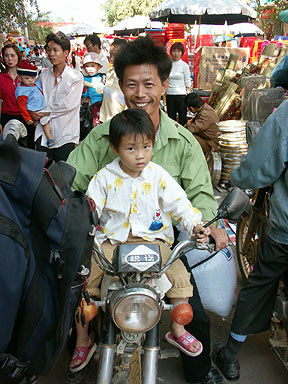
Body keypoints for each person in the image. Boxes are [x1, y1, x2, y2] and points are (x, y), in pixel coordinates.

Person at [67, 35, 228, 384]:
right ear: (121, 87)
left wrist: (208, 226)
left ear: (165, 85)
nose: (140, 93)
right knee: (76, 295)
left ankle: (201, 372)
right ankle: (81, 349)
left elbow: (199, 195)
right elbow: (74, 181)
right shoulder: (102, 138)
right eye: (131, 84)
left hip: (159, 244)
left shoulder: (183, 142)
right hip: (110, 241)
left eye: (149, 84)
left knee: (193, 311)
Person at [70, 107, 211, 372]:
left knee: (180, 278)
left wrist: (195, 226)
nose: (140, 155)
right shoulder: (104, 178)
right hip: (113, 243)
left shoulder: (158, 176)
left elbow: (180, 204)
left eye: (146, 147)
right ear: (115, 148)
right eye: (131, 149)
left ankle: (177, 328)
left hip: (154, 242)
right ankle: (82, 337)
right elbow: (91, 210)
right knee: (84, 283)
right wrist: (80, 226)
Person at [212, 100, 288, 381]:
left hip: (285, 232)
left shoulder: (285, 117)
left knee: (260, 282)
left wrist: (239, 179)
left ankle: (230, 355)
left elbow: (259, 166)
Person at [30, 31, 84, 162]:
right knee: (42, 176)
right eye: (49, 50)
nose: (51, 54)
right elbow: (35, 97)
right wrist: (32, 111)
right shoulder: (43, 76)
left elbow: (67, 105)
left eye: (55, 50)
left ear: (66, 53)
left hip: (66, 135)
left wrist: (42, 112)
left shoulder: (75, 78)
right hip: (42, 136)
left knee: (64, 177)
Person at [15, 59, 55, 149]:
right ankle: (49, 139)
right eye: (27, 78)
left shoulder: (35, 83)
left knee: (43, 122)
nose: (30, 80)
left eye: (32, 78)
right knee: (45, 119)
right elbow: (22, 107)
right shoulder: (22, 91)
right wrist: (27, 118)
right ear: (20, 78)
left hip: (40, 106)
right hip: (35, 109)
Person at [99, 38, 127, 122]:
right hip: (104, 122)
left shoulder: (128, 77)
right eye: (110, 54)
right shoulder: (109, 72)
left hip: (120, 124)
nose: (111, 58)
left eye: (115, 55)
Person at [166, 42, 192, 127]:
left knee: (182, 117)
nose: (176, 53)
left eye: (178, 51)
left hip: (181, 95)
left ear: (182, 53)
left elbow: (188, 81)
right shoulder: (168, 64)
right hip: (169, 94)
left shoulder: (184, 65)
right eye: (174, 51)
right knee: (171, 117)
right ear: (171, 52)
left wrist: (188, 93)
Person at [0, 44, 24, 134]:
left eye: (12, 55)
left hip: (25, 118)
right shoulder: (1, 78)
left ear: (18, 56)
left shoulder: (26, 77)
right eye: (6, 56)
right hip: (7, 118)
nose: (9, 59)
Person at [81, 52, 105, 127]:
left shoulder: (102, 77)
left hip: (104, 105)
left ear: (98, 66)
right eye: (87, 66)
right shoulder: (84, 79)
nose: (90, 69)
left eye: (92, 66)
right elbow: (84, 92)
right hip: (92, 106)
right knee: (95, 124)